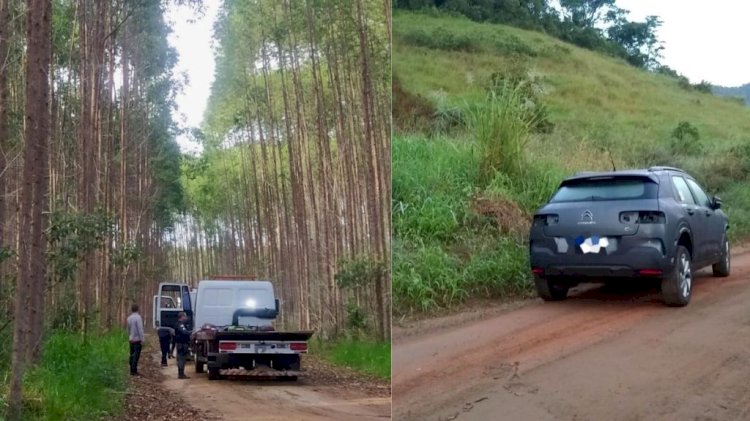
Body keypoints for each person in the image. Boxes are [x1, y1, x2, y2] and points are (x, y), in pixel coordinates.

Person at [126, 304, 145, 376]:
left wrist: (129, 336)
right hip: (137, 340)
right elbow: (140, 329)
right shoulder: (138, 318)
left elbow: (128, 329)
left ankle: (131, 369)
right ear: (137, 309)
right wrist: (142, 339)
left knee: (132, 354)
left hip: (131, 339)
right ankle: (134, 371)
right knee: (136, 356)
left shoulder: (129, 318)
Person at [174, 311, 191, 379]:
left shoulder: (179, 324)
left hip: (180, 344)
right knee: (182, 359)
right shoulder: (180, 324)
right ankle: (181, 374)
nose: (186, 318)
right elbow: (184, 332)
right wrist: (191, 332)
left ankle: (181, 373)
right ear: (182, 317)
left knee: (181, 359)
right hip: (182, 344)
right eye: (185, 316)